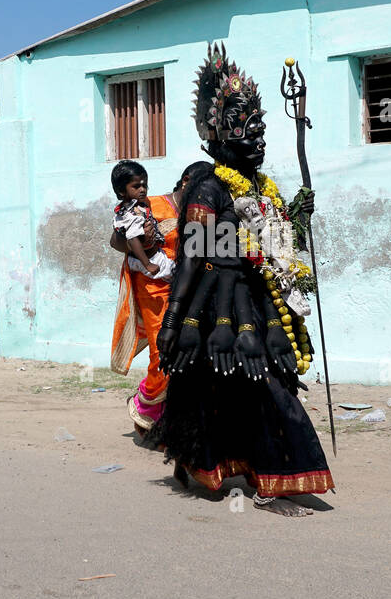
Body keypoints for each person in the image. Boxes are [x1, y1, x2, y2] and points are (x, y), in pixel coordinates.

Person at [151, 43, 334, 517]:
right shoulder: (210, 185)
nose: (258, 138)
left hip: (262, 299)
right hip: (221, 303)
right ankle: (271, 482)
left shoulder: (260, 185)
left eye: (261, 128)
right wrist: (173, 318)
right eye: (245, 128)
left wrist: (296, 214)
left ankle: (219, 464)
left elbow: (273, 243)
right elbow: (195, 255)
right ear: (217, 134)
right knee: (255, 388)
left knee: (247, 388)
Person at [110, 161, 210, 436]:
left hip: (188, 290)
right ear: (186, 181)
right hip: (153, 290)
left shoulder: (202, 214)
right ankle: (146, 406)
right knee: (162, 353)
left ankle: (177, 423)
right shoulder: (149, 204)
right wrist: (143, 242)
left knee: (189, 354)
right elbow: (116, 242)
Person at [111, 160, 173, 280]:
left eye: (145, 186)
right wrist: (148, 265)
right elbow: (133, 238)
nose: (142, 190)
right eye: (136, 186)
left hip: (150, 257)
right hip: (149, 260)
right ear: (121, 191)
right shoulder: (131, 214)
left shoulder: (137, 206)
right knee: (181, 277)